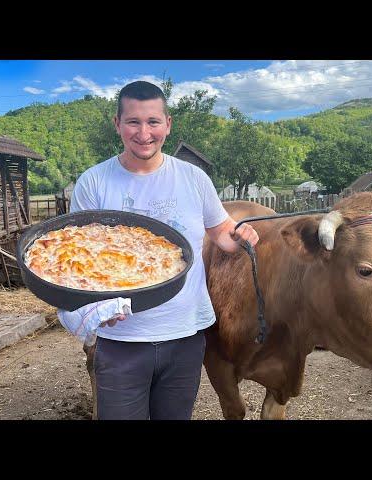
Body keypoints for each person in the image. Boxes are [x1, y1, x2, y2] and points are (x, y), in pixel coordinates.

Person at [57, 80, 259, 420]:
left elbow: (221, 231)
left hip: (184, 335)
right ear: (117, 124)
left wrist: (240, 235)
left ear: (168, 124)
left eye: (153, 122)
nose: (144, 133)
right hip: (121, 338)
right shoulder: (94, 182)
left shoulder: (194, 179)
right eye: (133, 122)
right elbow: (80, 259)